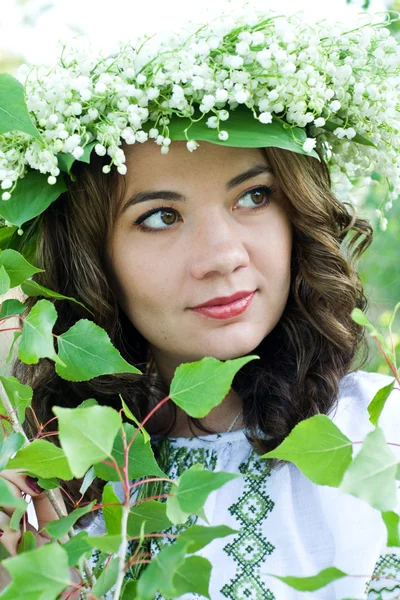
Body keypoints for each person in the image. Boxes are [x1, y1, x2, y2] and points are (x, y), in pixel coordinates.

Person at [0, 5, 399, 599]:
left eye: (254, 196)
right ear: (92, 259)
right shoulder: (46, 498)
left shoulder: (383, 439)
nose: (222, 255)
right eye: (160, 217)